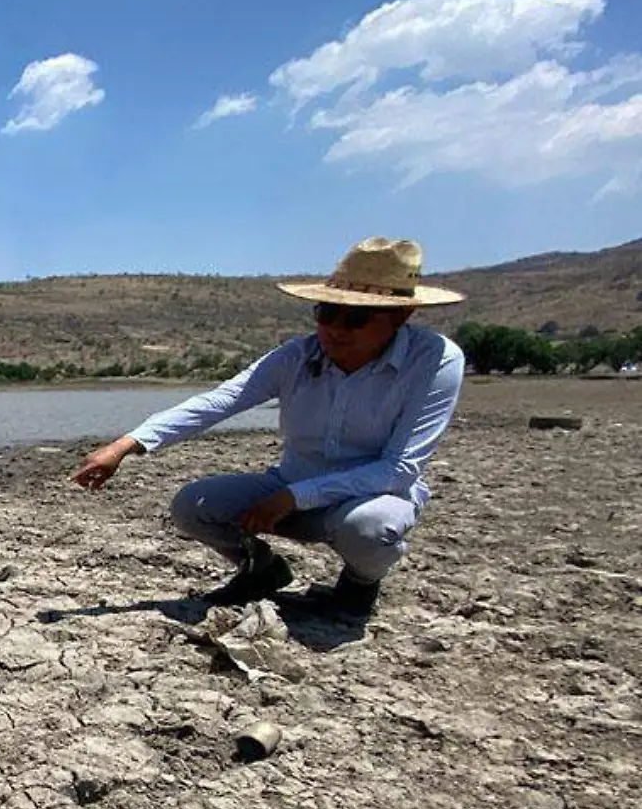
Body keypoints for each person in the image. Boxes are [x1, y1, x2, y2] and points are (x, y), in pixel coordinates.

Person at [71, 237, 467, 614]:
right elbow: (221, 401)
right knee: (192, 506)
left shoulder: (435, 360)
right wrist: (127, 444)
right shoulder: (297, 356)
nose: (334, 328)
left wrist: (295, 497)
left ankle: (358, 586)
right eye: (326, 312)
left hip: (370, 497)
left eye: (356, 318)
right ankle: (261, 570)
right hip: (288, 485)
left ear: (402, 317)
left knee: (369, 530)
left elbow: (398, 469)